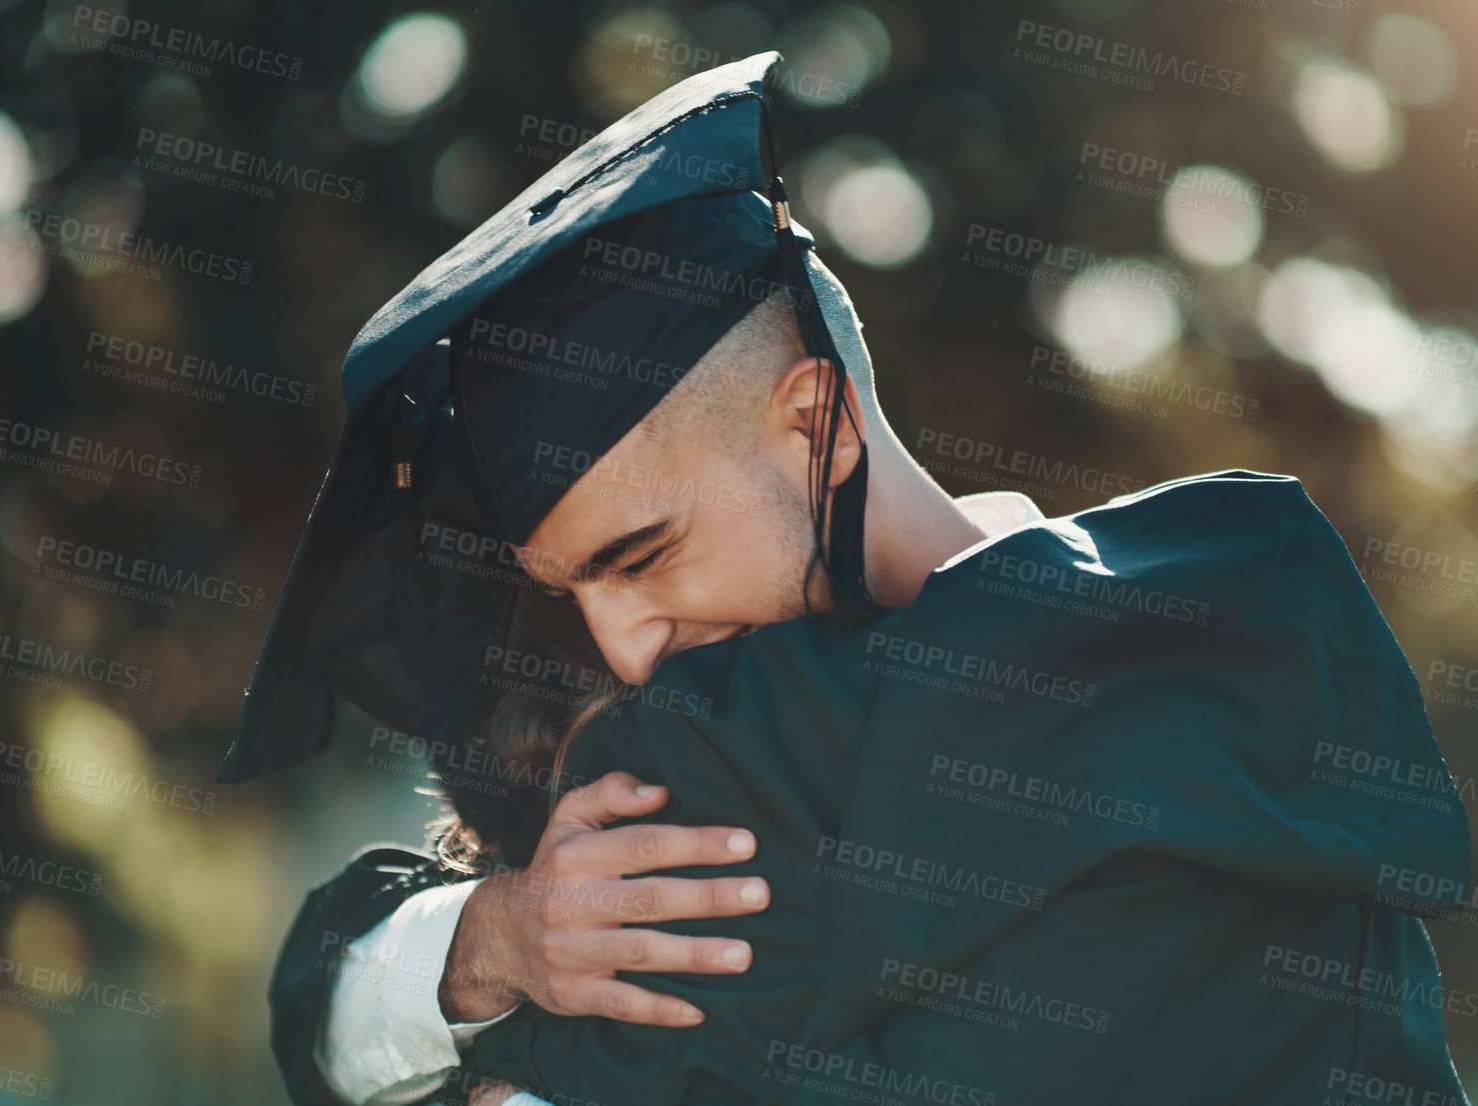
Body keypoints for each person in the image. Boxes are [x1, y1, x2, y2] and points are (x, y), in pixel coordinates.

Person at [221, 53, 1475, 1105]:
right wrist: (494, 936)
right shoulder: (1250, 636)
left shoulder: (752, 758)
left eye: (640, 555)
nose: (624, 646)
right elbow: (330, 1002)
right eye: (572, 590)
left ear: (812, 418)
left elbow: (346, 1030)